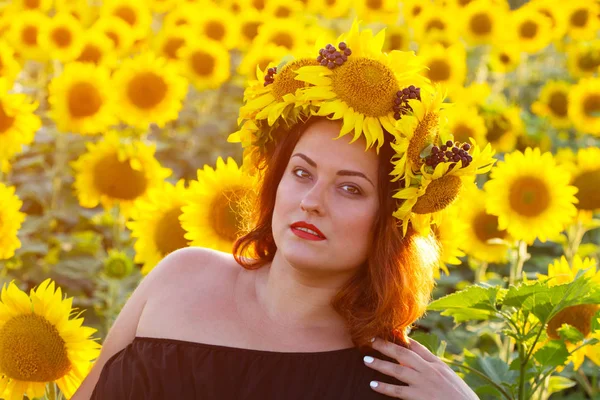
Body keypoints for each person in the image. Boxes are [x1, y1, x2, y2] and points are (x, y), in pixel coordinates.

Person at [73, 21, 491, 400]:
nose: (312, 201)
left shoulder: (392, 378)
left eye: (350, 188)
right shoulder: (181, 278)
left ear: (390, 222)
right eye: (302, 173)